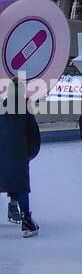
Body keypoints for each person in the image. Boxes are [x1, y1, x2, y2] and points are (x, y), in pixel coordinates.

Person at [0, 85, 40, 238]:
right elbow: (34, 135)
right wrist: (30, 154)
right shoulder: (26, 111)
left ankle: (13, 204)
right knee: (21, 185)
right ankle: (26, 221)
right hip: (18, 155)